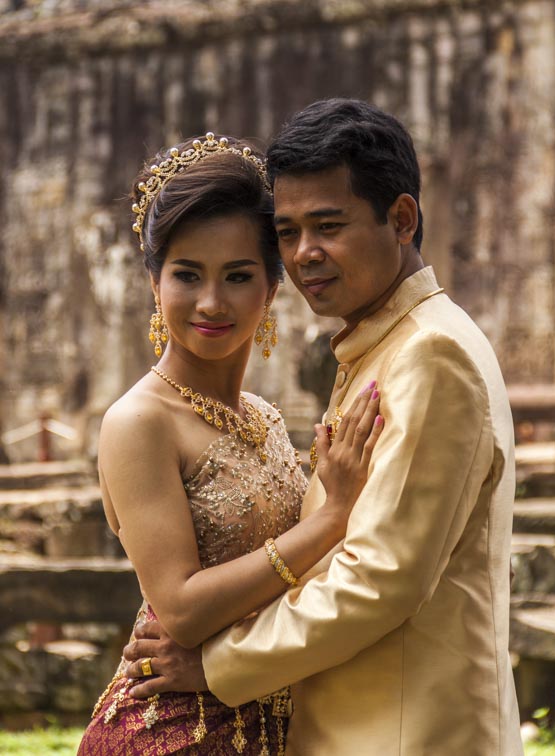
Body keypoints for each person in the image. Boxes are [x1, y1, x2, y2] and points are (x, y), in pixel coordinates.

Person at [124, 100, 523, 755]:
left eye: (328, 226)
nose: (305, 253)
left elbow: (380, 579)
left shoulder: (428, 355)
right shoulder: (380, 346)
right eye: (287, 232)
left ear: (401, 219)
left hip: (405, 733)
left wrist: (215, 665)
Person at [77, 131, 384, 756]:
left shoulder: (265, 418)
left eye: (238, 276)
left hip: (274, 722)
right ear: (155, 284)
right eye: (187, 275)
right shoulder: (138, 422)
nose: (212, 302)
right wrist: (331, 519)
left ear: (271, 289)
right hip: (170, 730)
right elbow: (182, 610)